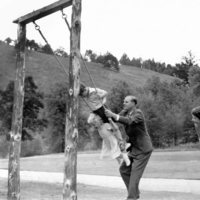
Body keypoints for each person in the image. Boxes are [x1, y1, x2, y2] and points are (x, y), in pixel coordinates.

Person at [105, 95, 153, 200]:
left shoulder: (138, 113)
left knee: (134, 177)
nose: (124, 103)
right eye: (124, 101)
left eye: (126, 102)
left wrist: (113, 115)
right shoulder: (125, 112)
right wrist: (102, 109)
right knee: (124, 170)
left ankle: (132, 197)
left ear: (133, 103)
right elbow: (115, 118)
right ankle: (134, 193)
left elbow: (128, 121)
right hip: (134, 149)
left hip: (143, 150)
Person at [79, 83, 130, 165]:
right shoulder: (85, 94)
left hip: (102, 108)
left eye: (83, 94)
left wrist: (102, 100)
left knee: (113, 124)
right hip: (95, 111)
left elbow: (105, 93)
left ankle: (122, 143)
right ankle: (101, 124)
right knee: (90, 120)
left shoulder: (93, 91)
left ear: (85, 90)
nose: (83, 96)